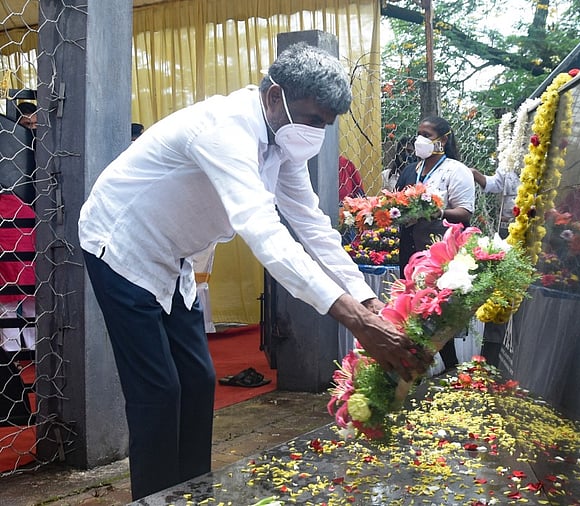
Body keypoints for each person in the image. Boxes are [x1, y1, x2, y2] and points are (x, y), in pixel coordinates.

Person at [78, 42, 430, 500]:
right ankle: (156, 498)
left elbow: (311, 225)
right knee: (159, 392)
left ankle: (193, 493)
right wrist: (357, 323)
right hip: (122, 247)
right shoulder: (224, 129)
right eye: (311, 119)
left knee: (199, 381)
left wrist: (367, 300)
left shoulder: (283, 142)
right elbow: (264, 233)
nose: (315, 132)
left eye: (325, 124)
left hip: (175, 257)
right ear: (273, 96)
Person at [396, 116, 476, 369]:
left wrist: (438, 212)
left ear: (443, 140)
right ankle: (418, 367)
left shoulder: (456, 170)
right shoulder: (410, 170)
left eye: (427, 135)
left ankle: (450, 366)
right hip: (410, 248)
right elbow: (399, 202)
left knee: (437, 309)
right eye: (418, 133)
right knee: (414, 308)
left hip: (440, 251)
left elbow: (464, 212)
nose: (420, 139)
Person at [471, 164, 519, 238]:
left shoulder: (541, 163)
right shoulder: (509, 163)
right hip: (508, 225)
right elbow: (496, 183)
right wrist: (474, 174)